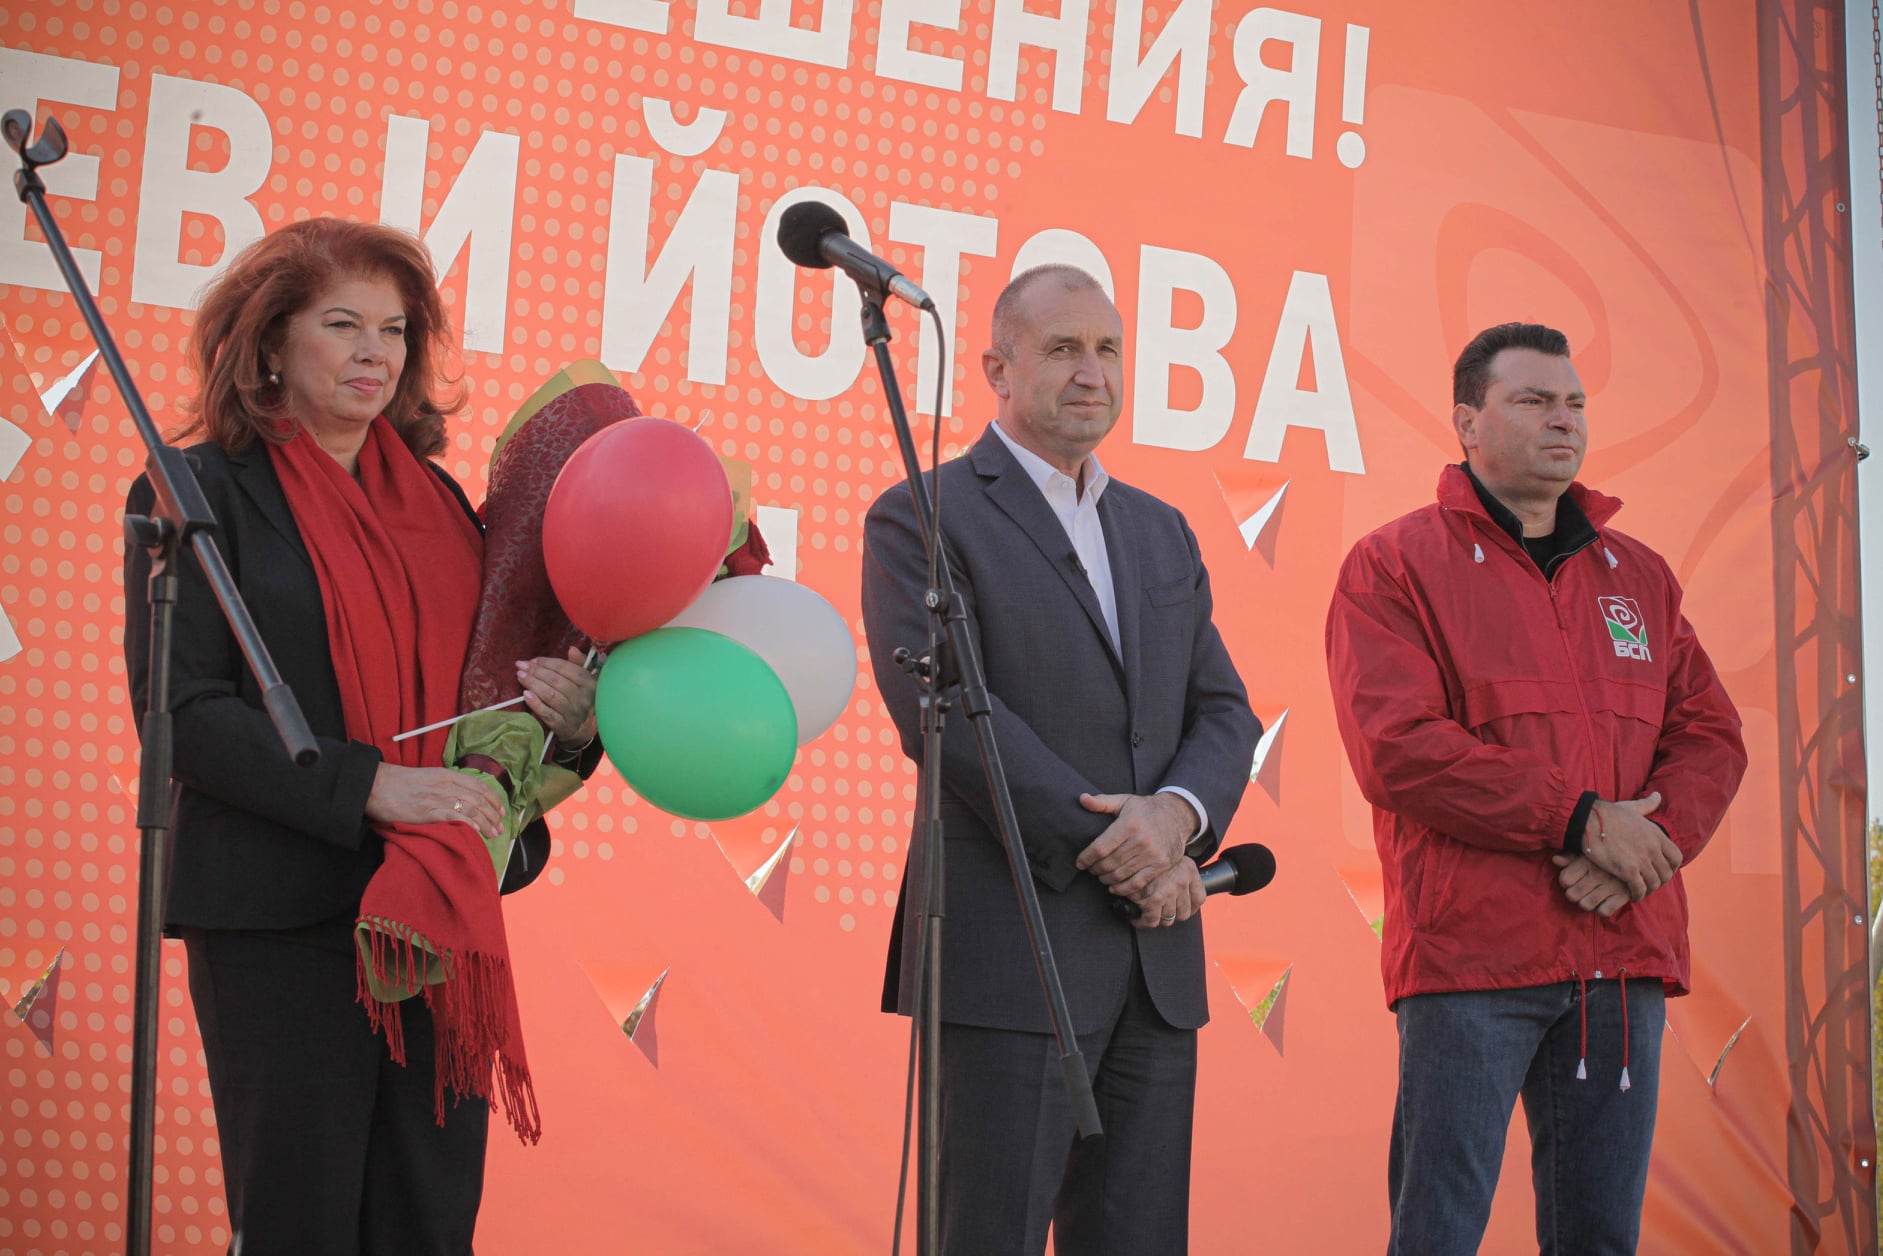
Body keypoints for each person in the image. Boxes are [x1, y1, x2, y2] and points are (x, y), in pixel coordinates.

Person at [121, 218, 600, 1255]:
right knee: (300, 1226)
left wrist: (566, 726)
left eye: (393, 329)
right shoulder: (197, 492)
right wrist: (372, 786)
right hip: (280, 917)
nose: (374, 352)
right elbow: (182, 712)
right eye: (342, 324)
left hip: (439, 907)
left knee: (429, 1227)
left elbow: (488, 699)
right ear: (270, 342)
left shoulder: (442, 505)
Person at [860, 264, 1261, 1254]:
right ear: (996, 369)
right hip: (1007, 954)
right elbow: (947, 712)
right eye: (1063, 348)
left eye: (1108, 348)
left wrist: (1174, 820)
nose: (1092, 371)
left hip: (1154, 962)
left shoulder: (1160, 529)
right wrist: (1120, 846)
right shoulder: (922, 512)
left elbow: (1222, 710)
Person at [1324, 322, 1747, 1255]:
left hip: (1621, 957)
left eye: (1574, 403)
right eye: (1533, 400)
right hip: (1470, 963)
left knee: (1599, 1240)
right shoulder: (1392, 564)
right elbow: (1397, 748)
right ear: (1466, 422)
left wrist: (1646, 849)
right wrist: (1583, 821)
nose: (1564, 420)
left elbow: (1710, 735)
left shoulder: (1639, 576)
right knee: (1437, 1233)